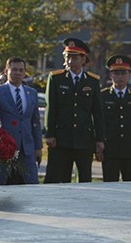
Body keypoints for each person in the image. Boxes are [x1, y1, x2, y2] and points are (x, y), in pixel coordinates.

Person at [43, 37, 105, 183]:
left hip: (84, 139)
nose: (71, 61)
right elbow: (51, 108)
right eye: (68, 57)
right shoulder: (56, 78)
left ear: (83, 59)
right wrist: (50, 133)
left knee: (84, 178)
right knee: (60, 178)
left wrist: (100, 139)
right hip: (62, 138)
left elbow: (97, 112)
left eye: (75, 57)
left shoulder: (92, 81)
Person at [0, 57, 42, 185]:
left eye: (21, 70)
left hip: (27, 148)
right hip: (5, 147)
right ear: (6, 71)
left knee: (32, 183)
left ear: (25, 73)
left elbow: (35, 121)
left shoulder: (32, 93)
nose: (18, 73)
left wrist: (38, 146)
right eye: (14, 70)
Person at [101, 55, 131, 182]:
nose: (119, 77)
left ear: (129, 74)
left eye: (123, 73)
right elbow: (99, 123)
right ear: (111, 75)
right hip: (110, 151)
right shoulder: (102, 96)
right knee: (110, 187)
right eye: (116, 73)